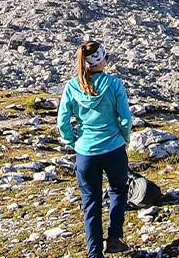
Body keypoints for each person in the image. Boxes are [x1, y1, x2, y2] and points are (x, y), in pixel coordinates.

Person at [57, 41, 133, 257]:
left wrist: (74, 142)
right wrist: (123, 137)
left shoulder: (72, 86)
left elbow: (62, 122)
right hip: (114, 148)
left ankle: (94, 253)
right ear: (101, 60)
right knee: (118, 190)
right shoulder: (114, 83)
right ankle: (115, 238)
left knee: (90, 202)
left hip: (85, 152)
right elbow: (126, 118)